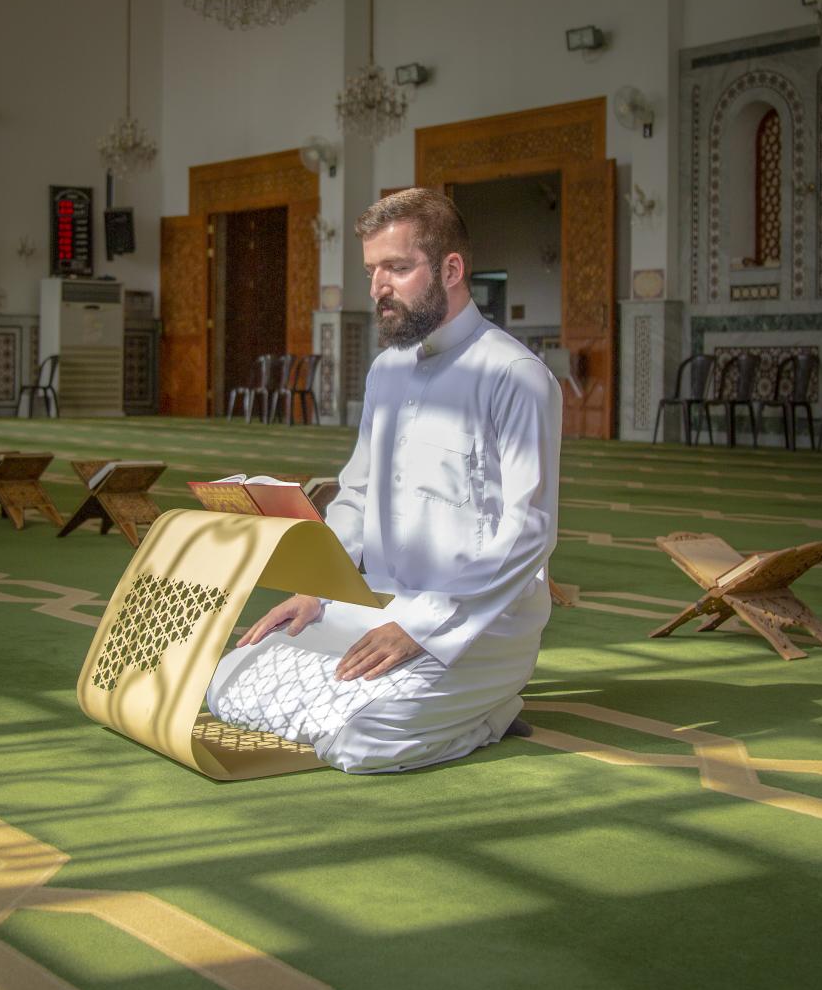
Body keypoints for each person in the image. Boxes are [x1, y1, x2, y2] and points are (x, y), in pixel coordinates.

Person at [205, 188, 563, 773]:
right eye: (372, 270)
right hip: (376, 605)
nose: (377, 288)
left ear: (450, 269)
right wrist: (315, 590)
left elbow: (529, 531)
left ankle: (490, 713)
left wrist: (419, 628)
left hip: (478, 623)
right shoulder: (386, 370)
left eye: (396, 268)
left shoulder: (515, 376)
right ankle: (421, 701)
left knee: (363, 742)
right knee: (226, 682)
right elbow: (358, 493)